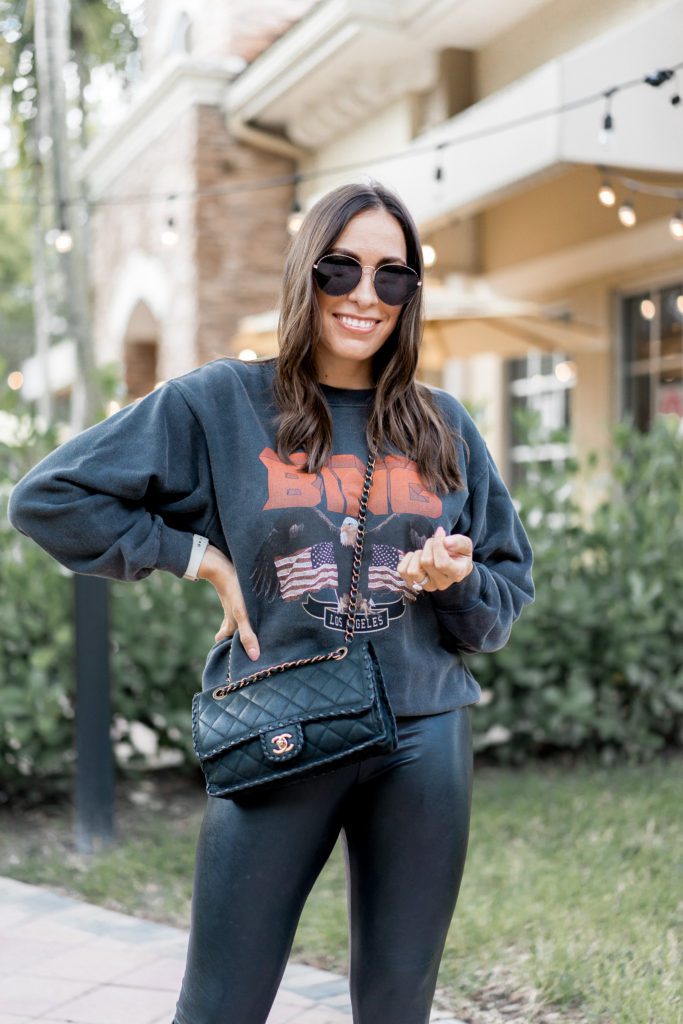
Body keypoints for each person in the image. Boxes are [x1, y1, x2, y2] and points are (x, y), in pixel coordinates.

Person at [8, 179, 534, 1024]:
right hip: (276, 722)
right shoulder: (221, 403)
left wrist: (457, 580)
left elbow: (501, 598)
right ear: (305, 274)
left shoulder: (443, 424)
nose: (365, 295)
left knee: (397, 1006)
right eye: (341, 269)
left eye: (392, 275)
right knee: (221, 1005)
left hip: (424, 735)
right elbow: (49, 498)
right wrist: (196, 557)